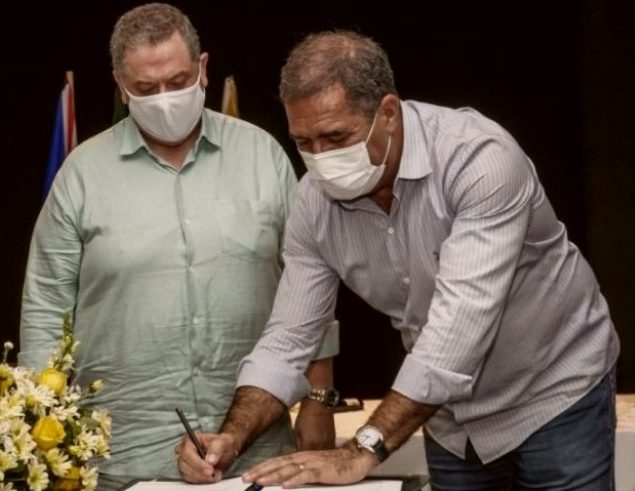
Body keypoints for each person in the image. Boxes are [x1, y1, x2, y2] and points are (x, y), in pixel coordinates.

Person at [177, 30, 620, 490]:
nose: (320, 159)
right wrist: (232, 437)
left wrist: (360, 450)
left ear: (387, 113)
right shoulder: (314, 203)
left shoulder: (479, 160)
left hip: (553, 395)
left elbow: (457, 328)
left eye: (335, 136)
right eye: (304, 142)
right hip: (451, 419)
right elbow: (289, 337)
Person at [19, 4, 339, 490]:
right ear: (120, 85)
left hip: (257, 451)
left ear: (203, 68)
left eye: (178, 81)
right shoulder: (81, 174)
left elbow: (310, 284)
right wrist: (43, 431)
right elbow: (46, 309)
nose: (165, 98)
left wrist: (318, 400)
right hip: (121, 456)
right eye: (146, 89)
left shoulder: (262, 156)